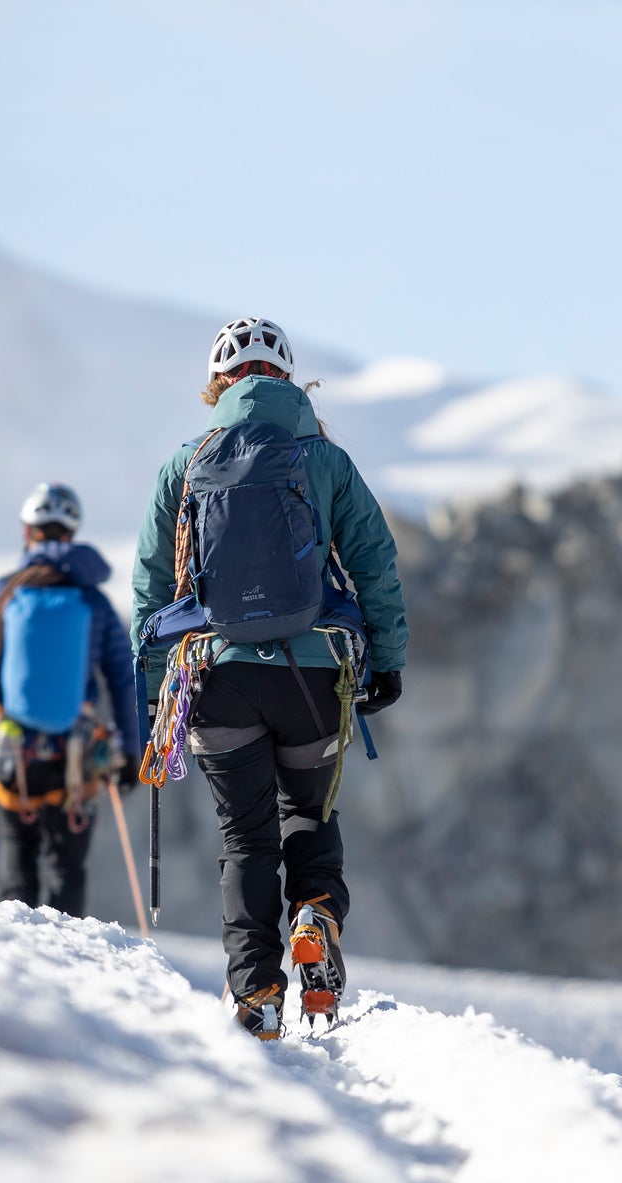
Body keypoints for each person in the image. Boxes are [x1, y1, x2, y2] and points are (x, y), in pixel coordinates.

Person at [131, 318, 406, 1039]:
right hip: (313, 675)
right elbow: (375, 559)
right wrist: (389, 660)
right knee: (308, 816)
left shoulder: (184, 466)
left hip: (217, 677)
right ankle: (315, 912)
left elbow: (152, 590)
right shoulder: (324, 458)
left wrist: (157, 694)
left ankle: (256, 993)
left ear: (219, 383)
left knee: (245, 836)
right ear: (287, 378)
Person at [0, 483, 142, 916]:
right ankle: (70, 966)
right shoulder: (94, 601)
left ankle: (16, 965)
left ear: (28, 532)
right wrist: (132, 753)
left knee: (17, 866)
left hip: (11, 751)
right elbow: (124, 676)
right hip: (77, 754)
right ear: (72, 533)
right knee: (68, 869)